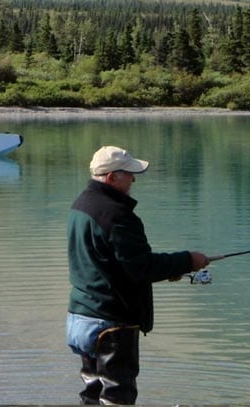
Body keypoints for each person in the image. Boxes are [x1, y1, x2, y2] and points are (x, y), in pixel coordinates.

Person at [67, 145, 210, 405]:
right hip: (111, 321)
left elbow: (111, 262)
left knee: (91, 393)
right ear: (111, 177)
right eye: (130, 174)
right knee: (117, 396)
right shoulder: (117, 215)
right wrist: (188, 260)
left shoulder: (81, 205)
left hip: (81, 316)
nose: (134, 179)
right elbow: (141, 267)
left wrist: (170, 269)